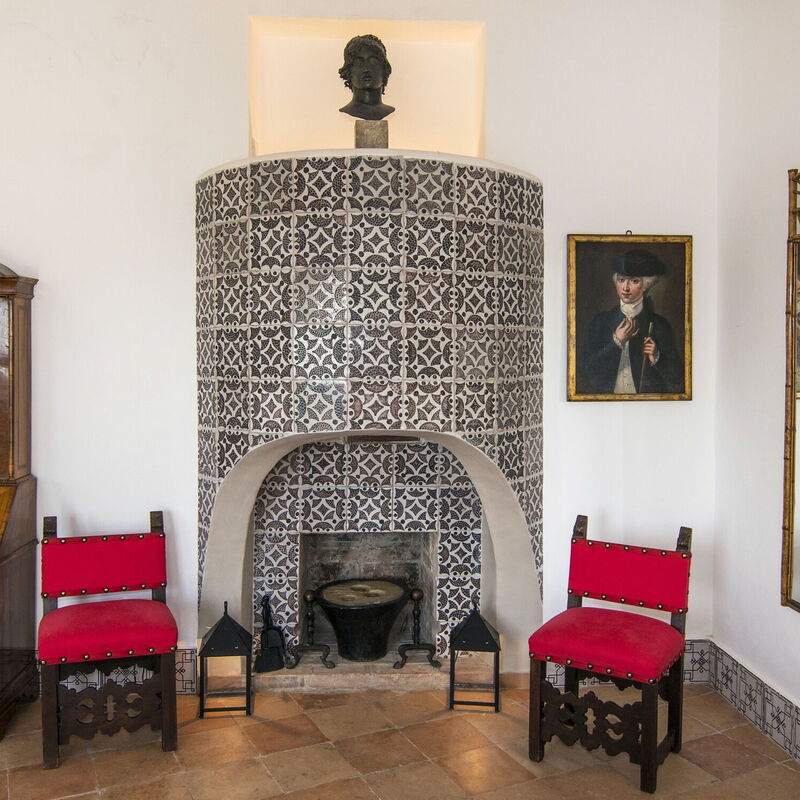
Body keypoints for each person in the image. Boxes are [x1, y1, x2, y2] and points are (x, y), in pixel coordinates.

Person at [581, 249, 681, 394]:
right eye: (621, 280)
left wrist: (657, 356)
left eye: (634, 281)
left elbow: (677, 377)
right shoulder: (601, 321)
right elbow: (585, 371)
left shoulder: (659, 324)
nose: (626, 288)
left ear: (645, 285)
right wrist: (616, 342)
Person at [338, 34, 395, 120]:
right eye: (359, 62)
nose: (366, 69)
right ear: (348, 71)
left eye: (373, 61)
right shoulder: (347, 111)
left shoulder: (389, 111)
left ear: (384, 69)